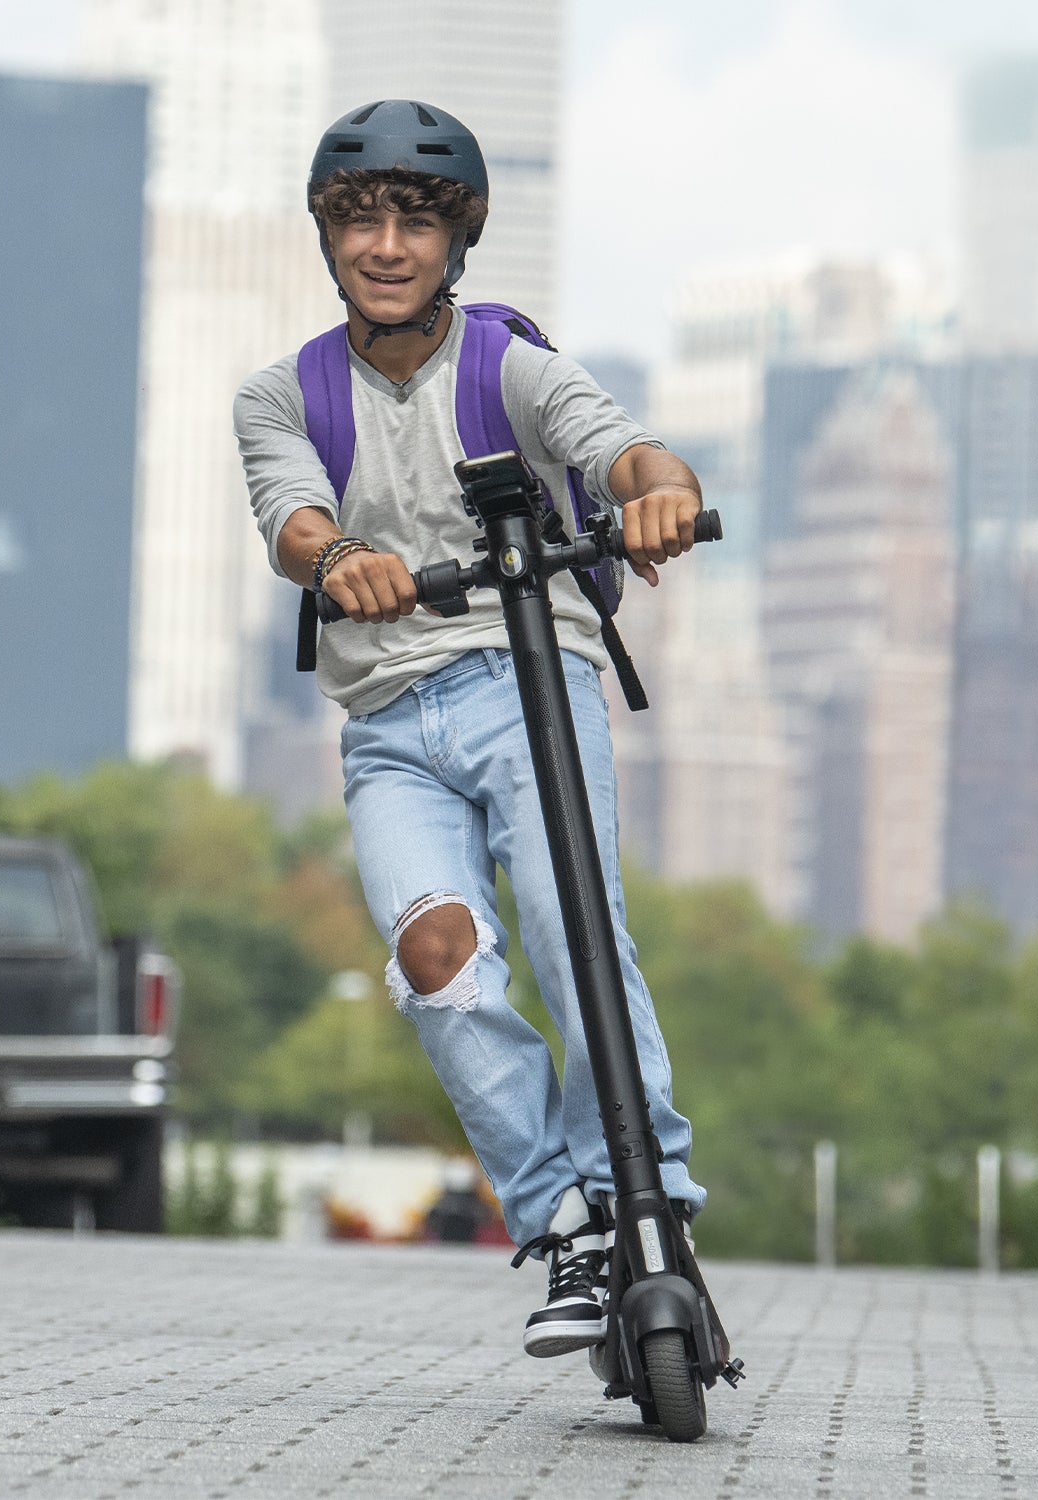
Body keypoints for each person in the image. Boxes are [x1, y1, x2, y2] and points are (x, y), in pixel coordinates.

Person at [234, 99, 706, 1358]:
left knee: (571, 929)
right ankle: (560, 1222)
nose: (386, 246)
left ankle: (642, 1196)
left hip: (525, 679)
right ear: (328, 237)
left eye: (415, 223)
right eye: (360, 221)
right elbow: (289, 509)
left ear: (460, 240)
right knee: (439, 955)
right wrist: (335, 555)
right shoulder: (283, 394)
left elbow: (620, 449)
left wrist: (663, 494)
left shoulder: (511, 368)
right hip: (389, 721)